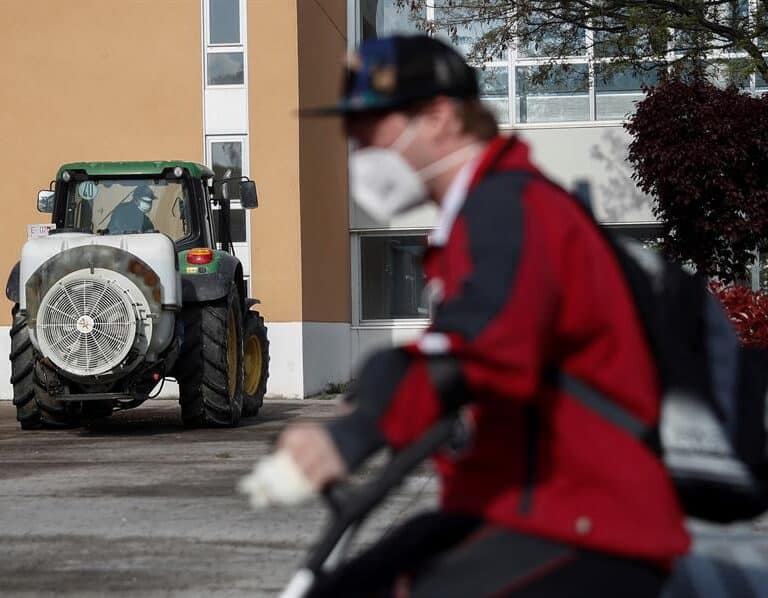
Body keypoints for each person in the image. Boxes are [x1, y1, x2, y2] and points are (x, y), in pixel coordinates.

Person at [259, 35, 691, 596]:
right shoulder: (477, 215)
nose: (356, 147)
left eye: (369, 128)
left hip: (587, 523)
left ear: (439, 116)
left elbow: (483, 351)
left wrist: (355, 429)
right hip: (517, 505)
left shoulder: (508, 209)